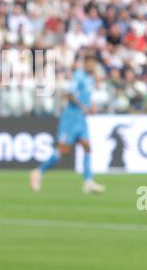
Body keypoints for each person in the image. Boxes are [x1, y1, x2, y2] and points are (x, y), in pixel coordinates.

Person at [31, 56, 106, 194]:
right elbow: (68, 95)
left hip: (81, 120)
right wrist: (83, 106)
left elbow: (86, 97)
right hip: (70, 119)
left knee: (87, 147)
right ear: (85, 63)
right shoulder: (78, 75)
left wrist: (92, 106)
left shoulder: (90, 79)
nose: (92, 66)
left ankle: (88, 182)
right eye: (90, 63)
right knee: (62, 151)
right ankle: (39, 171)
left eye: (93, 64)